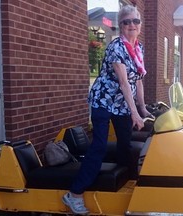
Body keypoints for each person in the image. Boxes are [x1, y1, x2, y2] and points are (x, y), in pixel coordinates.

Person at [62, 5, 151, 215]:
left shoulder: (139, 48)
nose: (131, 25)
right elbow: (123, 82)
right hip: (103, 100)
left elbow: (137, 81)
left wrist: (143, 108)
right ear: (121, 25)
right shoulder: (116, 47)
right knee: (100, 146)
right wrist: (134, 113)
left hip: (121, 104)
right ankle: (74, 194)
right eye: (126, 21)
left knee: (125, 144)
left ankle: (123, 186)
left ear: (140, 25)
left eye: (135, 21)